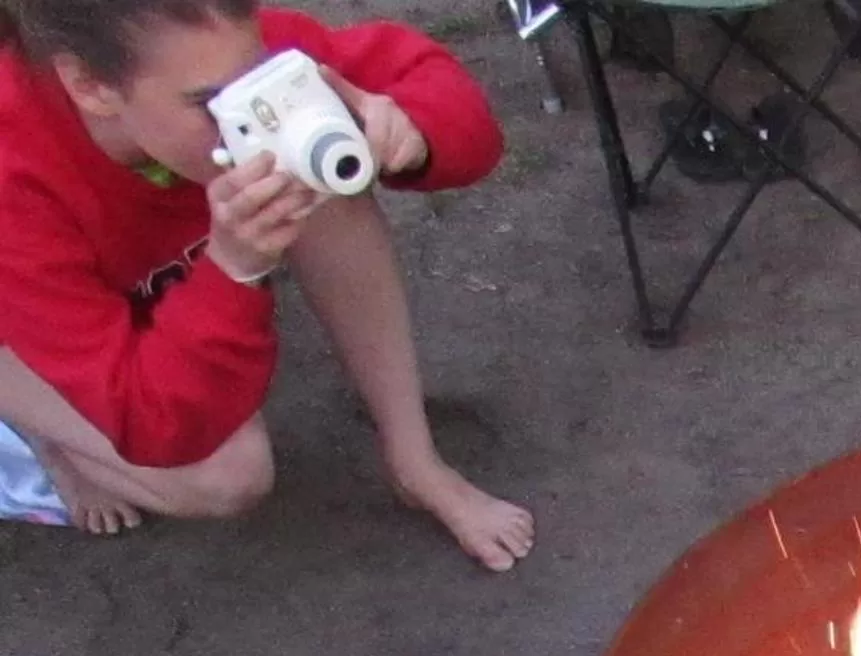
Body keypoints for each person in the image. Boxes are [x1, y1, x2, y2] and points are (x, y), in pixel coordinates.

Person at [0, 0, 534, 570]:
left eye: (254, 76)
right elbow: (158, 424)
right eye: (208, 103)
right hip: (23, 306)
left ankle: (415, 461)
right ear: (90, 84)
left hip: (116, 261)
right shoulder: (15, 177)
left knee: (307, 149)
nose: (237, 110)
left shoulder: (208, 44)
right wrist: (231, 272)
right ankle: (51, 437)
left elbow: (426, 79)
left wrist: (409, 130)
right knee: (226, 476)